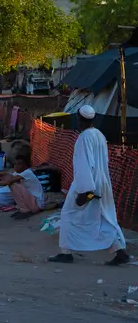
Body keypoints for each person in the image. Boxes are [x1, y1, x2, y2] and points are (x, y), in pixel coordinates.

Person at [48, 106, 129, 266]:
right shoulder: (99, 135)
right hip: (102, 182)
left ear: (79, 118)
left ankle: (66, 253)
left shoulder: (84, 138)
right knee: (105, 217)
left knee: (68, 213)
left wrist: (85, 192)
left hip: (88, 184)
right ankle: (120, 251)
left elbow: (85, 165)